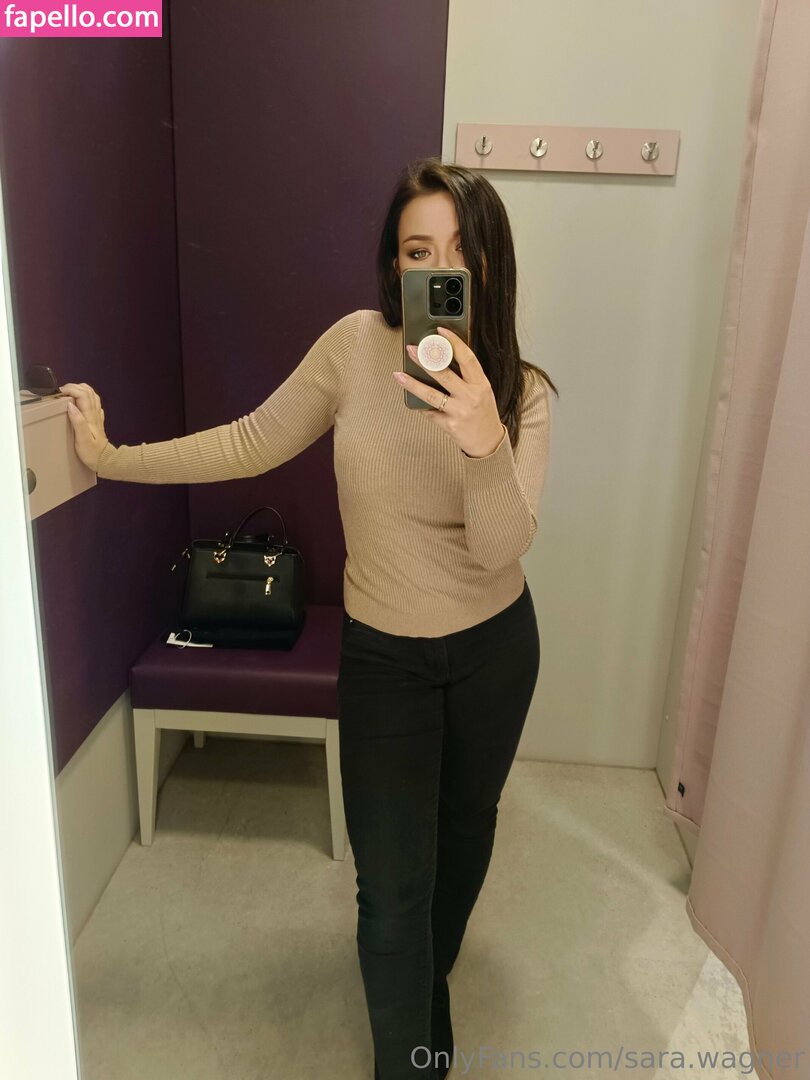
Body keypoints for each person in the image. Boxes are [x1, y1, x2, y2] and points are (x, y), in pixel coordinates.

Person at [61, 156, 559, 1080]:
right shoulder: (354, 348)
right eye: (418, 250)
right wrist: (111, 456)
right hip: (384, 659)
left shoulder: (523, 392)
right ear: (395, 265)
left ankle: (428, 983)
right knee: (390, 894)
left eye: (461, 249)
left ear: (491, 264)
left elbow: (500, 549)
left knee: (464, 839)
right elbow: (251, 440)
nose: (439, 269)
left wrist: (484, 441)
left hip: (494, 652)